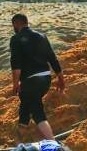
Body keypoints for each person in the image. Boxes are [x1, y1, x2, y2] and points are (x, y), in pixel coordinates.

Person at [9, 14, 65, 142]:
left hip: (31, 81)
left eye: (13, 26)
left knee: (37, 113)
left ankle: (53, 145)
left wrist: (15, 84)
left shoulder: (16, 39)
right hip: (46, 79)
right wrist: (61, 79)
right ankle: (19, 138)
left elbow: (16, 64)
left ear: (16, 24)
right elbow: (52, 59)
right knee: (26, 103)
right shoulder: (41, 36)